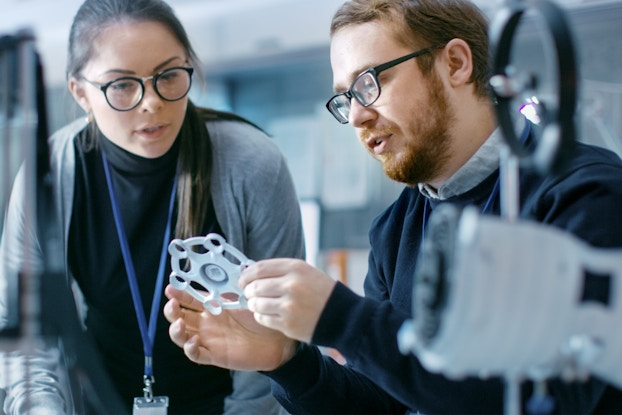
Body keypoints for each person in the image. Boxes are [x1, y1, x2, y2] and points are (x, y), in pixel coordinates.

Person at [163, 0, 622, 414]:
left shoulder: (583, 194)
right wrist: (287, 361)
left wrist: (343, 320)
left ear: (456, 63)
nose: (357, 115)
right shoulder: (396, 228)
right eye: (346, 97)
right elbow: (381, 405)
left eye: (369, 82)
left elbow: (551, 397)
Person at [0, 0, 305, 413]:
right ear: (81, 93)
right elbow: (26, 336)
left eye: (168, 75)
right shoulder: (49, 176)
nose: (151, 102)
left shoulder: (252, 164)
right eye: (122, 84)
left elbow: (277, 331)